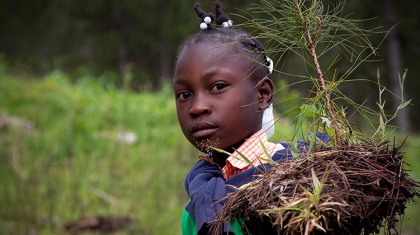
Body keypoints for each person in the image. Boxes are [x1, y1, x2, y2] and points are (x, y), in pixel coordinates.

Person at [174, 1, 327, 234]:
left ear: (263, 94)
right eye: (185, 94)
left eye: (217, 87)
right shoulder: (197, 201)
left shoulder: (302, 177)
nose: (197, 107)